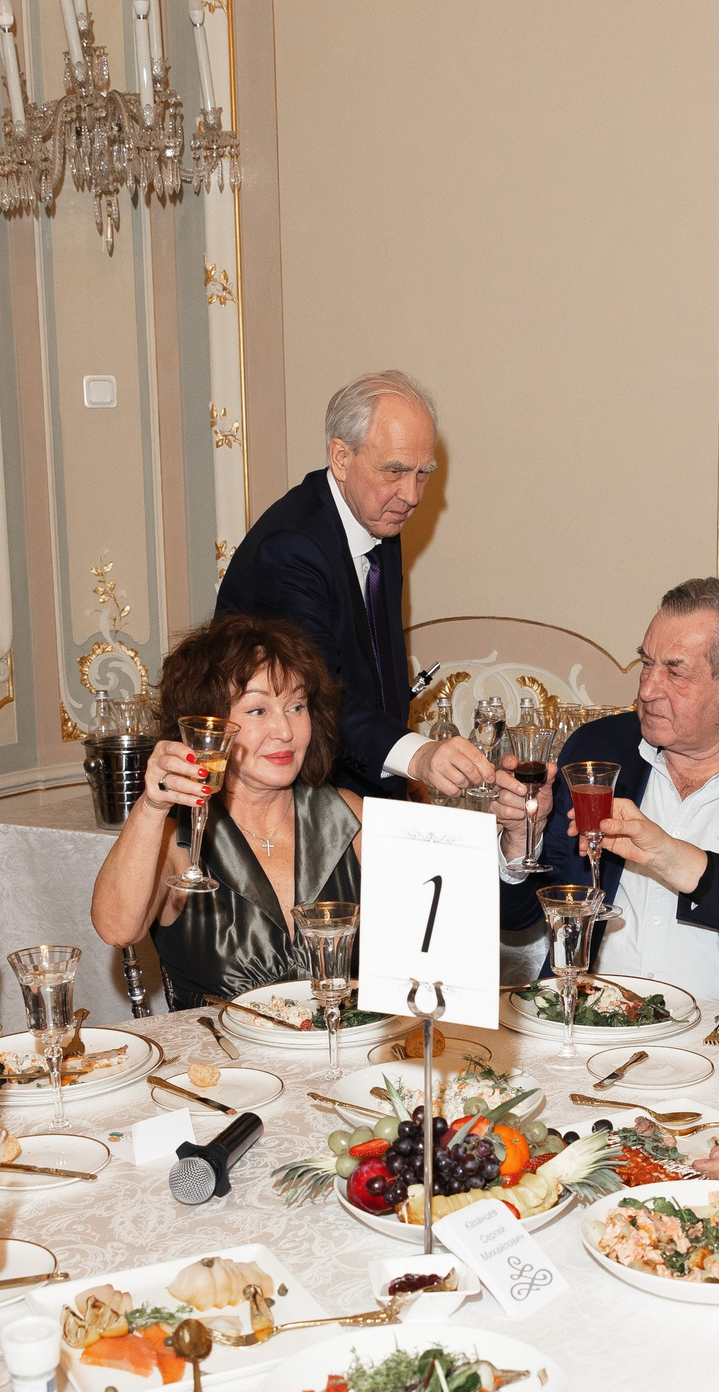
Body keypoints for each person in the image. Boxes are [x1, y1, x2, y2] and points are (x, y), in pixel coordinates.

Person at [488, 578, 719, 1012]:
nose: (647, 690)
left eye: (674, 671)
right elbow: (519, 916)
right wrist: (523, 838)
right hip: (588, 1022)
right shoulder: (596, 751)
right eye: (646, 664)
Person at [214, 371, 493, 800]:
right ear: (341, 457)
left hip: (368, 789)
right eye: (395, 471)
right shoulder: (291, 548)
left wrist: (401, 780)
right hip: (301, 799)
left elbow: (376, 670)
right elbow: (317, 695)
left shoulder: (377, 516)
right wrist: (417, 757)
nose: (412, 495)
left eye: (423, 473)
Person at [90, 615, 364, 1007]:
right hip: (216, 1048)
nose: (285, 731)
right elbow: (117, 930)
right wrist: (151, 807)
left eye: (296, 706)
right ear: (210, 724)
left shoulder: (346, 817)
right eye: (258, 711)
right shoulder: (176, 837)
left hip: (342, 1044)